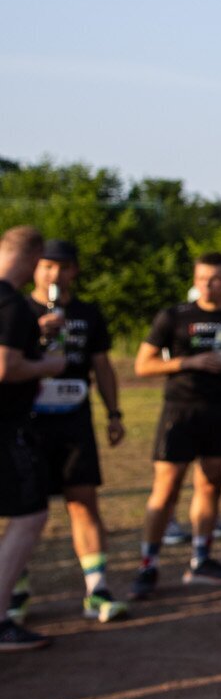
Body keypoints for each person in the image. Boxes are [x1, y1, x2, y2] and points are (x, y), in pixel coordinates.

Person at [129, 252, 221, 596]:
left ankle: (201, 561)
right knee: (166, 490)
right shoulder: (174, 315)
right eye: (200, 279)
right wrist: (188, 362)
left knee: (210, 486)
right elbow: (143, 365)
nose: (206, 286)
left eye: (215, 279)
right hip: (181, 410)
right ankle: (148, 566)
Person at [12, 239, 128, 624]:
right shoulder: (16, 309)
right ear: (34, 267)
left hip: (74, 420)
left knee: (83, 501)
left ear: (74, 271)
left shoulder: (87, 313)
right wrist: (35, 331)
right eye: (47, 266)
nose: (54, 274)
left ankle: (97, 589)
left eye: (63, 267)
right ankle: (15, 592)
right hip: (26, 422)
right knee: (23, 509)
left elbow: (102, 365)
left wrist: (114, 413)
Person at [0, 226, 71, 651]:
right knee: (29, 515)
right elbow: (6, 367)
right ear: (33, 259)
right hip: (7, 428)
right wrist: (49, 365)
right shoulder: (11, 304)